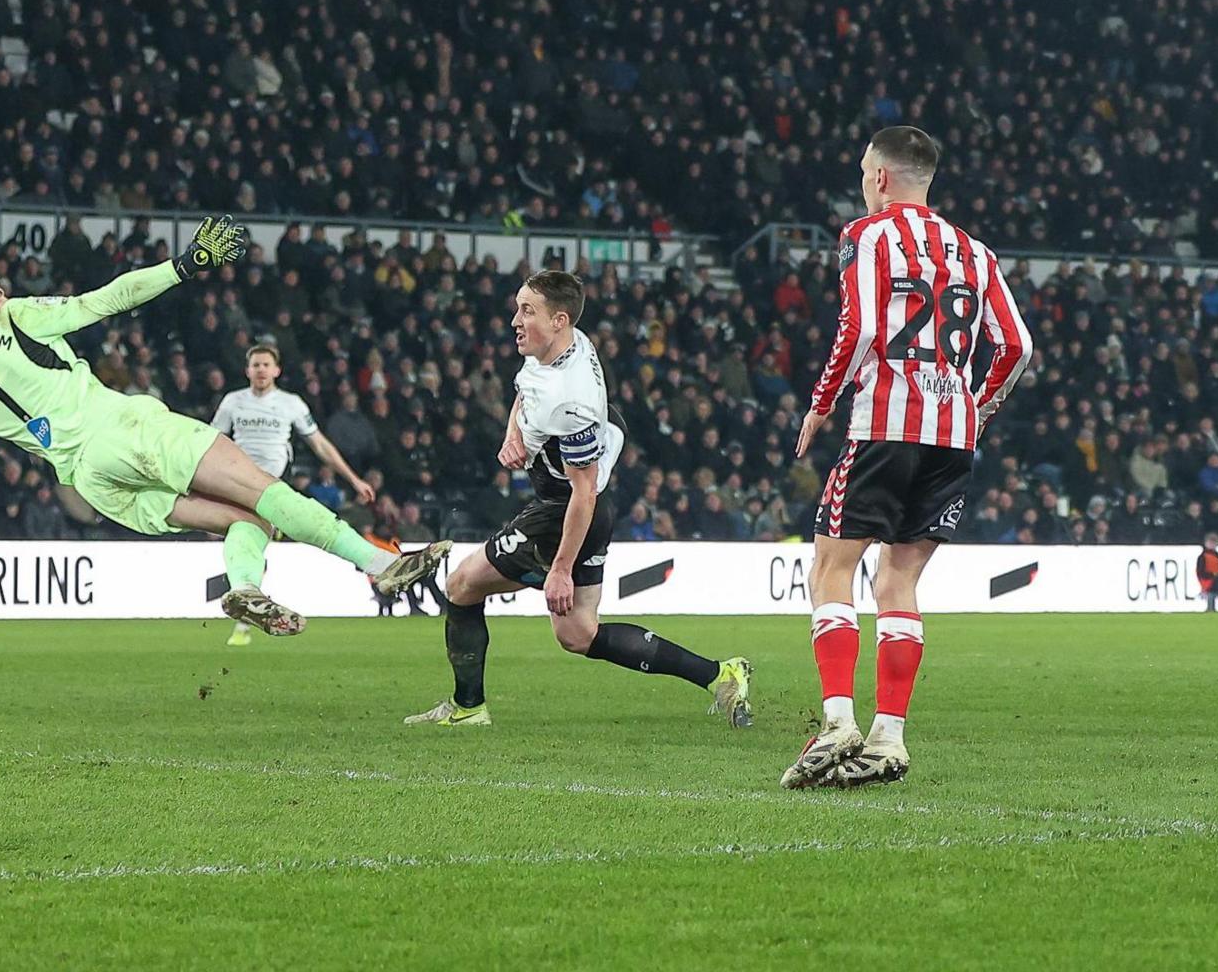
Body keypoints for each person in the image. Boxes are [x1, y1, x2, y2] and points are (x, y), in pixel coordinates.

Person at [0, 216, 446, 635]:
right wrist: (184, 265)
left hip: (93, 483)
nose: (5, 293)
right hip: (123, 431)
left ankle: (245, 588)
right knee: (267, 492)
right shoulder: (15, 317)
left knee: (250, 521)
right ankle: (380, 565)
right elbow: (104, 299)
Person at [783, 125, 1033, 790]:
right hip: (953, 437)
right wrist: (975, 409)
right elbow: (1017, 348)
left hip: (886, 424)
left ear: (883, 178)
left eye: (866, 173)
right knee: (899, 582)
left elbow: (861, 326)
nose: (864, 184)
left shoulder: (866, 237)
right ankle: (890, 738)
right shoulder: (976, 253)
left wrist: (821, 401)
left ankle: (839, 721)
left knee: (832, 567)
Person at [400, 270, 753, 728]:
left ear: (559, 320)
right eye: (517, 307)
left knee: (462, 586)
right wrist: (515, 435)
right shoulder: (558, 346)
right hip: (585, 505)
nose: (515, 320)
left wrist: (561, 569)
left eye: (527, 311)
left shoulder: (570, 401)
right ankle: (720, 674)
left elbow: (582, 491)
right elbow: (527, 393)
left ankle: (468, 707)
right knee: (579, 634)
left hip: (566, 510)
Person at [212, 343, 378, 645]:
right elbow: (214, 442)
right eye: (256, 365)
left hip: (273, 486)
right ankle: (246, 617)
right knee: (246, 542)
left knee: (251, 541)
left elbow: (320, 445)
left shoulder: (291, 403)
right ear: (247, 370)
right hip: (236, 483)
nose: (261, 369)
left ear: (277, 370)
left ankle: (246, 616)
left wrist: (353, 479)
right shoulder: (232, 402)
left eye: (266, 365)